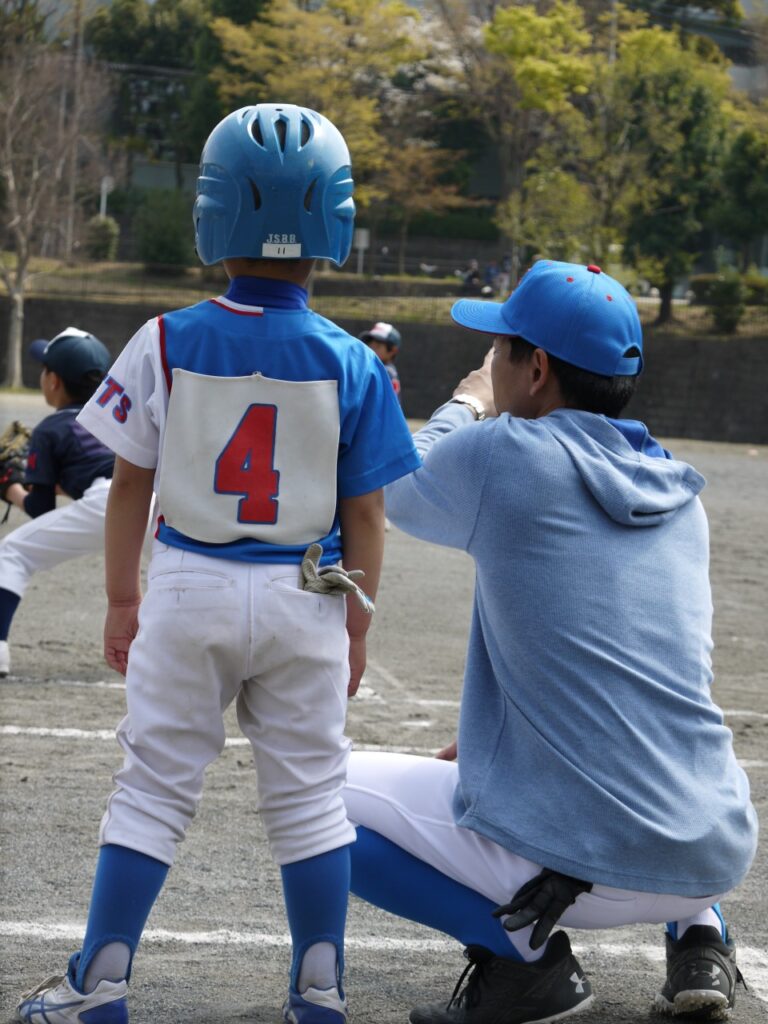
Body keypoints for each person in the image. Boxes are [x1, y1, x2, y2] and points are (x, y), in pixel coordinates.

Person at [15, 103, 420, 1024]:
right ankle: (319, 989)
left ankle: (100, 984)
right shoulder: (356, 361)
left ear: (212, 215)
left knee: (154, 788)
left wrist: (121, 600)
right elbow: (367, 514)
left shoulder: (164, 338)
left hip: (189, 586)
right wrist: (356, 628)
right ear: (334, 223)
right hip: (306, 595)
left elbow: (129, 484)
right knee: (311, 802)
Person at [341, 260, 758, 1024]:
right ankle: (702, 933)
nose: (491, 362)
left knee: (311, 800)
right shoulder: (679, 490)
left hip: (580, 865)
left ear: (536, 369)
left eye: (500, 350)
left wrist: (467, 402)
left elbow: (393, 482)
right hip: (711, 848)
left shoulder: (505, 453)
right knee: (668, 735)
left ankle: (526, 966)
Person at [0, 328, 114, 678]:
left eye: (44, 368)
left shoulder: (51, 428)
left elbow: (40, 509)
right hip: (155, 499)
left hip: (107, 503)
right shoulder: (117, 415)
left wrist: (9, 487)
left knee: (13, 553)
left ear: (53, 381)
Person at [358, 322, 402, 403]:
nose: (371, 349)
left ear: (392, 350)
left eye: (377, 346)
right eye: (370, 345)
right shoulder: (387, 370)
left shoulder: (384, 371)